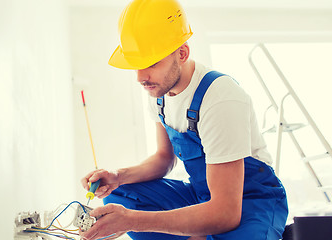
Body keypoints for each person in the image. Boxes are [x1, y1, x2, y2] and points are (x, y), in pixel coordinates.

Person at [80, 0, 288, 239]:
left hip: (248, 201)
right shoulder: (158, 92)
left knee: (134, 215)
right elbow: (163, 159)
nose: (140, 77)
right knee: (119, 193)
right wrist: (118, 176)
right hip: (202, 195)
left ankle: (201, 231)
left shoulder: (220, 98)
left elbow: (226, 213)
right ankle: (198, 230)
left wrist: (132, 221)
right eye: (136, 65)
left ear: (182, 53)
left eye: (151, 63)